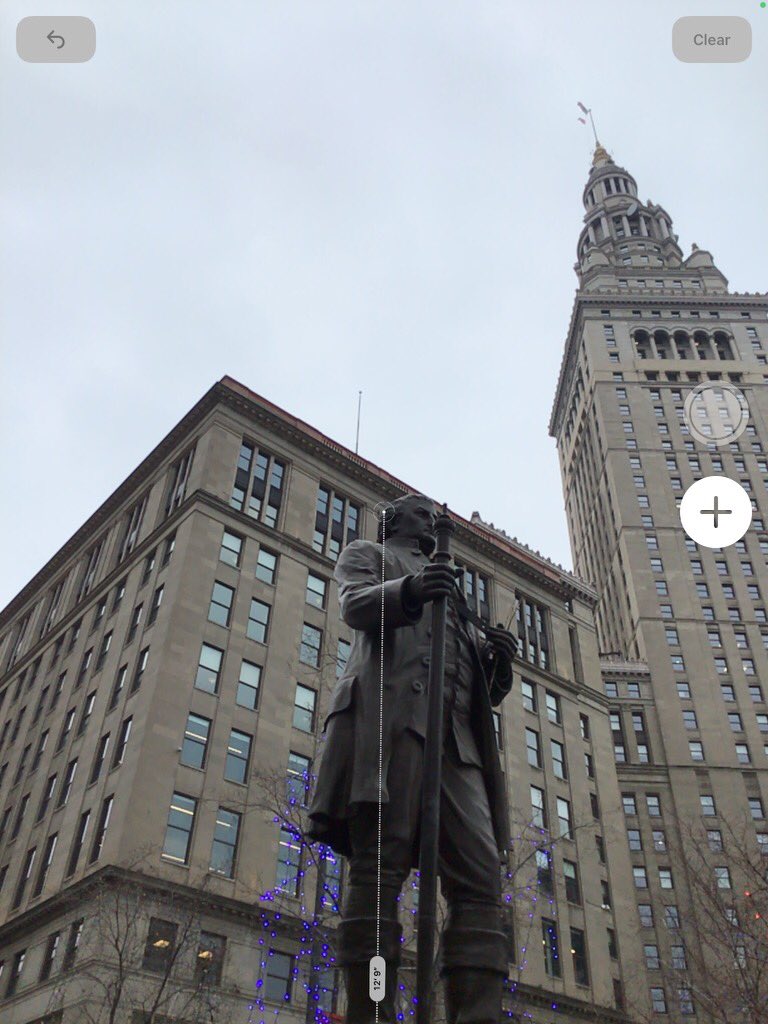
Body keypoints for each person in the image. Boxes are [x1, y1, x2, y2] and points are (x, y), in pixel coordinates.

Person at [308, 494, 517, 1024]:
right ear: (394, 520)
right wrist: (410, 589)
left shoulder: (455, 593)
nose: (431, 519)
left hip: (457, 752)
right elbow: (354, 604)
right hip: (393, 729)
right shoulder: (370, 556)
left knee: (481, 880)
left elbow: (475, 689)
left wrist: (498, 662)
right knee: (380, 871)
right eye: (420, 511)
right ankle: (373, 1010)